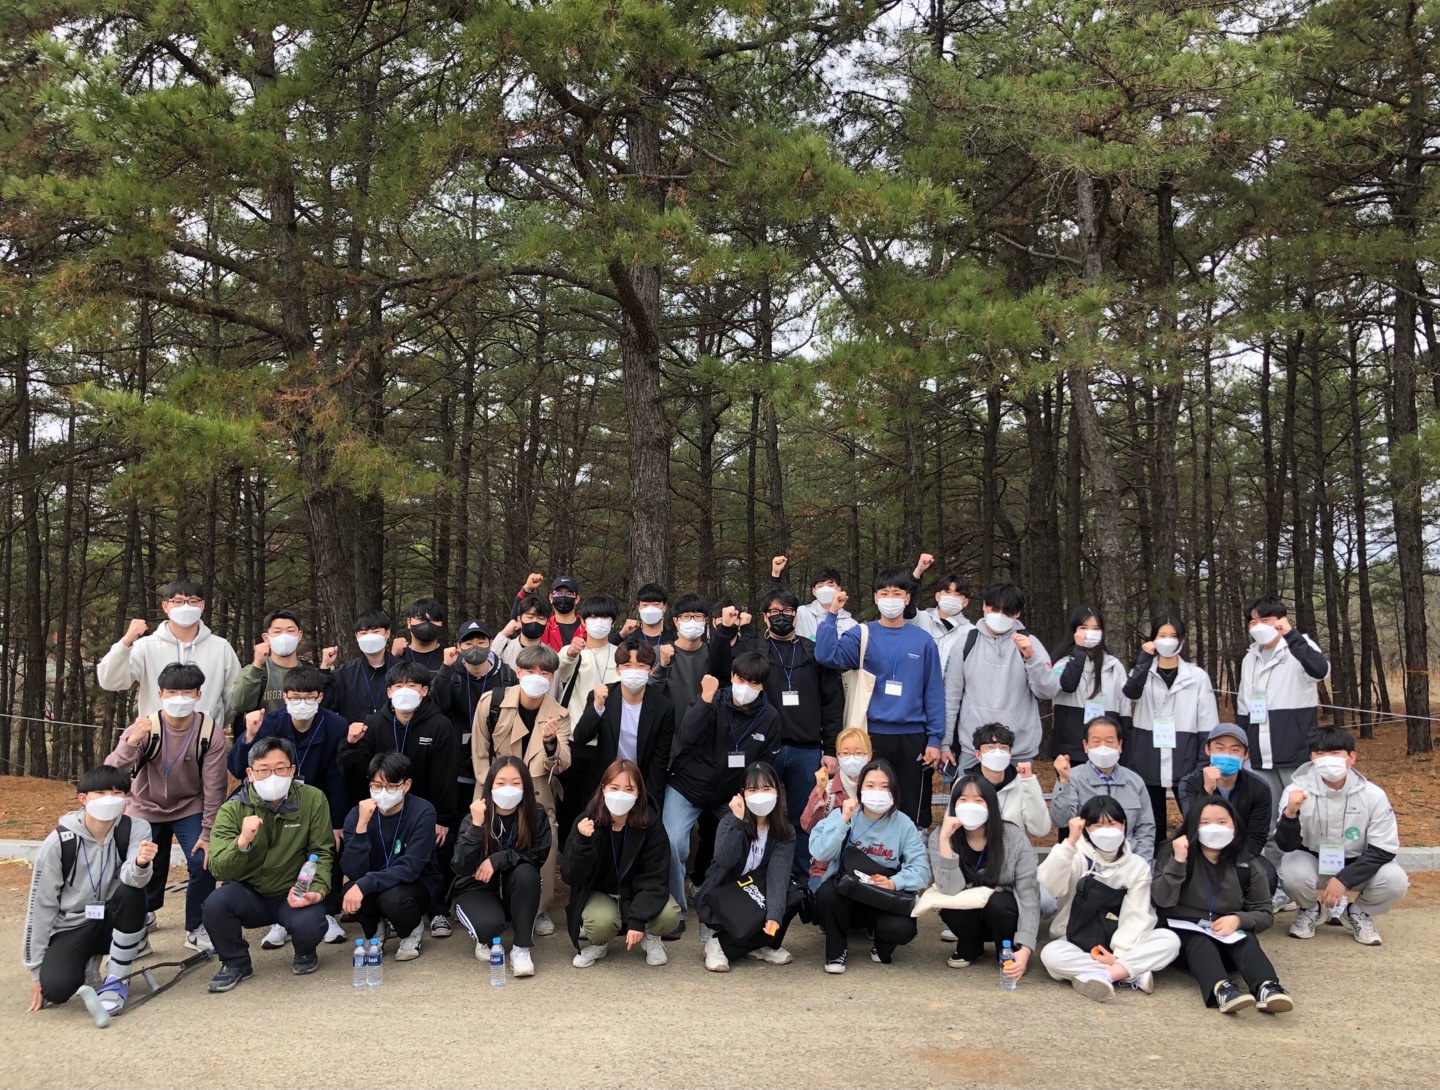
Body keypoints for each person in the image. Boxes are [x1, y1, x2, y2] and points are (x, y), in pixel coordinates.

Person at [711, 596, 844, 879]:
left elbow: (832, 702)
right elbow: (720, 667)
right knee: (755, 815)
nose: (781, 616)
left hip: (807, 748)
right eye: (774, 611)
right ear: (764, 616)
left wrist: (831, 748)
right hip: (761, 747)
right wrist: (725, 629)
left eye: (787, 611)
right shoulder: (753, 649)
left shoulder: (814, 652)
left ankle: (801, 878)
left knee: (804, 817)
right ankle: (751, 875)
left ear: (796, 615)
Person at [104, 662, 228, 954]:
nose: (179, 698)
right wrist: (132, 741)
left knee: (203, 861)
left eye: (187, 692)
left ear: (198, 695)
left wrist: (208, 833)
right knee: (138, 864)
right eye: (172, 692)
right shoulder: (145, 727)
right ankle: (139, 922)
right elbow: (110, 773)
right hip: (144, 806)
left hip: (189, 806)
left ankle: (197, 926)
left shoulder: (209, 731)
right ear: (160, 694)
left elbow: (215, 787)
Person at [231, 664, 352, 951]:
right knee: (280, 849)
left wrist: (336, 821)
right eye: (295, 697)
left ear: (320, 697)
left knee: (328, 845)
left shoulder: (337, 726)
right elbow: (239, 768)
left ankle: (327, 910)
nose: (302, 703)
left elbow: (339, 778)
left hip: (319, 800)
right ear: (285, 697)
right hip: (275, 799)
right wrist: (248, 737)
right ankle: (280, 917)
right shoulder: (270, 723)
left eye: (309, 697)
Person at [22, 767, 159, 1020]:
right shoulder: (59, 841)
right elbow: (41, 905)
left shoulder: (135, 828)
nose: (110, 798)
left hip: (114, 917)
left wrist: (141, 864)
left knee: (131, 892)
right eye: (101, 792)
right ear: (83, 798)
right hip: (73, 924)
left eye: (117, 793)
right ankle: (86, 965)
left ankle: (117, 977)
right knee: (56, 989)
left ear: (125, 800)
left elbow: (134, 879)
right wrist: (35, 970)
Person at [662, 653, 783, 938]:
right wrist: (705, 699)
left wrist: (748, 799)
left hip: (730, 794)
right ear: (732, 677)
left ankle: (723, 909)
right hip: (687, 785)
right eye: (741, 679)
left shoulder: (770, 718)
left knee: (742, 843)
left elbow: (766, 765)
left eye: (753, 683)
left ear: (762, 685)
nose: (745, 687)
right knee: (673, 842)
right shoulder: (712, 698)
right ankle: (676, 911)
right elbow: (688, 735)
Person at [814, 568, 945, 826]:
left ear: (907, 598)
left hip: (912, 735)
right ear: (875, 598)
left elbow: (933, 692)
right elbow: (826, 655)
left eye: (897, 593)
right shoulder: (862, 634)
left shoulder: (923, 640)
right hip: (871, 733)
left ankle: (910, 848)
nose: (890, 599)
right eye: (884, 593)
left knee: (910, 806)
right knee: (871, 800)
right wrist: (832, 613)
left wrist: (935, 738)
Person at [338, 661, 459, 939]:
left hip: (425, 809)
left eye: (412, 685)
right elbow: (357, 771)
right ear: (389, 691)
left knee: (439, 847)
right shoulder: (373, 724)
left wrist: (442, 817)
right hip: (385, 805)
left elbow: (446, 774)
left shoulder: (439, 724)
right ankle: (383, 913)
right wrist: (350, 745)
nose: (405, 691)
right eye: (399, 685)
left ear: (424, 690)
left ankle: (438, 910)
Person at [203, 738, 334, 992]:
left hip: (292, 890)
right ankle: (236, 963)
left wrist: (316, 891)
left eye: (280, 768)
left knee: (312, 923)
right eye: (263, 770)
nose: (273, 776)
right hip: (249, 892)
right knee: (215, 905)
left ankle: (305, 951)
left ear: (292, 770)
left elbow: (322, 852)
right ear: (250, 773)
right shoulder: (232, 809)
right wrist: (242, 842)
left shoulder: (313, 799)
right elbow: (218, 868)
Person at [1152, 797, 1293, 1013]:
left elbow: (1264, 913)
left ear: (1234, 826)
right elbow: (1161, 900)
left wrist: (1238, 920)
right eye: (1205, 822)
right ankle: (1222, 989)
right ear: (1193, 826)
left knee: (1246, 939)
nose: (1214, 828)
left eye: (1222, 822)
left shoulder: (1246, 865)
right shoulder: (1172, 854)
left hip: (1225, 936)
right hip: (1182, 939)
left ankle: (1267, 987)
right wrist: (1178, 862)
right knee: (1199, 940)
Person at [1036, 796, 1180, 1002]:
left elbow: (1137, 915)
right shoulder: (1075, 856)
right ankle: (1130, 974)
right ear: (1086, 828)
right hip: (1077, 938)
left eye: (1112, 823)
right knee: (1051, 954)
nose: (1107, 830)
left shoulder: (1137, 865)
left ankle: (1104, 974)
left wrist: (1118, 954)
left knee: (1169, 940)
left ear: (1124, 825)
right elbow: (1051, 885)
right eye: (1098, 825)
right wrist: (1069, 843)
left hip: (1124, 945)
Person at [471, 643, 570, 939]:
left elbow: (563, 762)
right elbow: (479, 751)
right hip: (495, 790)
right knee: (488, 846)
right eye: (529, 670)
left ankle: (538, 910)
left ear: (552, 677)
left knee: (542, 848)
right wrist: (490, 789)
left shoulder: (559, 714)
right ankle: (490, 905)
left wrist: (551, 742)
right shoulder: (492, 702)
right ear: (518, 672)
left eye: (544, 672)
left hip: (537, 794)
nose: (536, 677)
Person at [1277, 725, 1408, 946]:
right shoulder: (1295, 791)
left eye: (1335, 753)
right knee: (1291, 871)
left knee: (1395, 880)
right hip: (1313, 859)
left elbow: (1384, 848)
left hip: (1358, 861)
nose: (1327, 760)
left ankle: (1359, 913)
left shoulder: (1373, 795)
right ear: (1311, 758)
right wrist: (1290, 814)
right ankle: (1309, 910)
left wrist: (1343, 880)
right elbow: (1286, 845)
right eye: (1320, 753)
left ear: (1352, 757)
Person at [809, 759, 931, 973]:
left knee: (902, 928)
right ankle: (836, 951)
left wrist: (894, 882)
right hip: (847, 892)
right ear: (860, 789)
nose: (878, 792)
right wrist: (843, 820)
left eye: (885, 787)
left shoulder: (904, 823)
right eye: (870, 785)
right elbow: (819, 852)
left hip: (882, 897)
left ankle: (881, 943)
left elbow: (922, 869)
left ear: (894, 791)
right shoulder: (843, 813)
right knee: (826, 895)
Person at [1234, 595, 1330, 859]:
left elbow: (1320, 671)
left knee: (1300, 815)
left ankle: (1304, 872)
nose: (1257, 626)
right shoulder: (1250, 657)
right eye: (1253, 621)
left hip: (1294, 752)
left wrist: (1291, 635)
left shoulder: (1299, 647)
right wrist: (1244, 745)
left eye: (1264, 620)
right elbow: (1244, 705)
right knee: (1267, 821)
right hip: (1259, 755)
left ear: (1281, 620)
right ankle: (1273, 877)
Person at [560, 759, 681, 967]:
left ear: (639, 793)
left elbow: (655, 876)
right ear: (603, 788)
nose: (621, 795)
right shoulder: (587, 820)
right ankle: (599, 944)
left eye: (629, 789)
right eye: (614, 788)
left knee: (669, 913)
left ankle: (652, 938)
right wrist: (582, 842)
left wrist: (638, 920)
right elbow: (570, 876)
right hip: (600, 894)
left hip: (635, 894)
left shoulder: (651, 824)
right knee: (600, 923)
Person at [929, 775, 1040, 978]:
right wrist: (945, 840)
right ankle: (969, 947)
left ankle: (1008, 950)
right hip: (966, 911)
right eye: (963, 800)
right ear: (954, 805)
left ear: (991, 805)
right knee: (950, 905)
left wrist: (1025, 949)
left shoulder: (1013, 837)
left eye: (978, 800)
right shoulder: (940, 836)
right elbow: (948, 890)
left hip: (1003, 914)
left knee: (999, 903)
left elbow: (1029, 895)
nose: (970, 806)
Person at [942, 580, 1058, 771]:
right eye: (995, 609)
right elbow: (951, 697)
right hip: (974, 748)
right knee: (969, 791)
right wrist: (945, 743)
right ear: (984, 606)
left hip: (1018, 750)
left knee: (1019, 792)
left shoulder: (1030, 644)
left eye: (1007, 612)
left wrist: (1032, 658)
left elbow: (1047, 691)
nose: (1000, 616)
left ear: (1017, 614)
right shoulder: (965, 643)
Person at [452, 757, 552, 977]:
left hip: (512, 887)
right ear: (490, 786)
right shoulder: (474, 817)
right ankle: (484, 938)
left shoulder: (536, 815)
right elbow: (460, 866)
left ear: (526, 786)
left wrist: (499, 859)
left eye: (516, 783)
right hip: (477, 887)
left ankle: (521, 949)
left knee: (527, 873)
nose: (508, 789)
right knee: (489, 926)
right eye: (500, 783)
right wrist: (476, 827)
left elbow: (537, 857)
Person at [96, 577, 241, 727]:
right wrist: (125, 642)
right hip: (155, 735)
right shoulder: (146, 646)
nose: (186, 607)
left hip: (206, 736)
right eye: (178, 601)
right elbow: (109, 680)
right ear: (165, 606)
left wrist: (214, 723)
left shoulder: (221, 647)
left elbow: (233, 697)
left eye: (193, 601)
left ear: (202, 605)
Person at [340, 753, 443, 961]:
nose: (384, 792)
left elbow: (411, 867)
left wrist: (367, 883)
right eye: (377, 786)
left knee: (393, 898)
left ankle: (411, 930)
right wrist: (361, 827)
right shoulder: (357, 814)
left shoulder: (423, 811)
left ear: (406, 785)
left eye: (392, 786)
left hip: (414, 883)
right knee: (350, 891)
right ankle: (375, 930)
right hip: (374, 880)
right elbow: (352, 870)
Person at [697, 762, 799, 971]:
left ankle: (759, 944)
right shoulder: (730, 821)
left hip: (755, 896)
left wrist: (774, 915)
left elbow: (778, 876)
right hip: (725, 896)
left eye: (766, 788)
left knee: (793, 896)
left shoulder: (785, 831)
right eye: (752, 789)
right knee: (756, 911)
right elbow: (724, 860)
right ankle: (718, 944)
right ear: (742, 793)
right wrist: (738, 821)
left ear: (777, 792)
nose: (760, 795)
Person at [1121, 614, 1218, 832]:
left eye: (1173, 636)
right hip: (1147, 757)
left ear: (1182, 640)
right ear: (1153, 639)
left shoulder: (1197, 676)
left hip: (1185, 757)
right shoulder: (1142, 673)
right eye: (1161, 635)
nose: (1167, 641)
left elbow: (1208, 721)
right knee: (1151, 826)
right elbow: (1131, 692)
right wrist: (1144, 659)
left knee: (1195, 821)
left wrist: (1203, 764)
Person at [430, 620, 517, 835]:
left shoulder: (506, 675)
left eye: (481, 642)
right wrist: (445, 669)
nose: (475, 648)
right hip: (458, 762)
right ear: (458, 647)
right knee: (462, 820)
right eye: (468, 644)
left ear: (490, 643)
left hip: (496, 760)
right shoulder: (451, 674)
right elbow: (438, 707)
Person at [1175, 724, 1277, 896]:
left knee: (1267, 875)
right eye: (1220, 748)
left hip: (1240, 853)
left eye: (1235, 750)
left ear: (1245, 755)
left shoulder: (1259, 788)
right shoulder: (1190, 783)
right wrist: (1207, 791)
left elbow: (1257, 837)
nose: (1227, 755)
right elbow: (1191, 825)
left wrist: (1231, 861)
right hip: (1199, 853)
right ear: (1208, 750)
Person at [554, 595, 622, 849]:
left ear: (613, 622)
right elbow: (561, 671)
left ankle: (598, 847)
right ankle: (567, 848)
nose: (599, 622)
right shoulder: (574, 653)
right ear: (582, 621)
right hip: (575, 739)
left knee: (602, 799)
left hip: (608, 741)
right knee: (570, 800)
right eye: (593, 617)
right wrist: (571, 652)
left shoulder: (620, 654)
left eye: (605, 617)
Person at [573, 640, 674, 806]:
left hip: (640, 782)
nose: (634, 671)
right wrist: (597, 707)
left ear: (651, 670)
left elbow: (659, 760)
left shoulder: (664, 707)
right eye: (627, 665)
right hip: (603, 781)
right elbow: (580, 737)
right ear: (618, 669)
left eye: (641, 665)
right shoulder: (603, 696)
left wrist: (650, 804)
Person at [1050, 715, 1157, 861]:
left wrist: (1139, 863)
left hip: (1128, 860)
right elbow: (1061, 820)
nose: (1103, 747)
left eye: (1109, 741)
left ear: (1120, 745)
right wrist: (1063, 781)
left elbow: (1146, 830)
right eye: (1096, 741)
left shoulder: (1134, 781)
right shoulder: (1073, 778)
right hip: (1085, 861)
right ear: (1085, 745)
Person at [1050, 605, 1127, 767]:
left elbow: (1125, 710)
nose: (1090, 633)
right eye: (1084, 628)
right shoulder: (1062, 664)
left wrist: (1124, 750)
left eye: (1096, 628)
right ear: (1074, 631)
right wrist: (1078, 650)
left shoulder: (1114, 666)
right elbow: (1068, 685)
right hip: (1071, 750)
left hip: (1106, 750)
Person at [800, 727, 873, 890]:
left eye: (858, 753)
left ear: (869, 756)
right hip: (825, 870)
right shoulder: (828, 788)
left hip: (866, 870)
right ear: (838, 756)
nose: (851, 758)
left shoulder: (877, 790)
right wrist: (819, 791)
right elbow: (807, 826)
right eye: (845, 753)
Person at [232, 608, 335, 717]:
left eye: (290, 631)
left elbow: (324, 707)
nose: (284, 636)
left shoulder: (309, 671)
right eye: (277, 632)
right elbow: (239, 705)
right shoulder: (253, 671)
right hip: (265, 728)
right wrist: (257, 665)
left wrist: (325, 668)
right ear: (266, 637)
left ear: (299, 636)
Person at [970, 724, 1050, 837]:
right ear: (978, 755)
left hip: (1014, 846)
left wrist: (1029, 782)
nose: (997, 752)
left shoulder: (1022, 783)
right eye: (990, 747)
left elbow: (1041, 829)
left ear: (1010, 754)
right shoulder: (965, 785)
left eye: (1003, 748)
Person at [325, 609, 395, 725]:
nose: (370, 637)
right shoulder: (344, 674)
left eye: (376, 632)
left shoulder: (402, 670)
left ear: (387, 633)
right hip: (355, 735)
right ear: (357, 636)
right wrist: (324, 668)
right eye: (364, 633)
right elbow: (327, 708)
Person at [649, 593, 715, 713]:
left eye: (698, 616)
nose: (692, 621)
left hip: (704, 722)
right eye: (686, 616)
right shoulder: (659, 652)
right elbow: (649, 694)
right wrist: (662, 666)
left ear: (705, 620)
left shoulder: (712, 653)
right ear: (676, 621)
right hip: (669, 723)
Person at [769, 556, 858, 640]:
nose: (825, 589)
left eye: (830, 585)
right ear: (814, 591)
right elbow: (777, 603)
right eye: (820, 586)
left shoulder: (851, 625)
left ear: (838, 589)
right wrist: (775, 575)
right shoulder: (801, 614)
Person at [907, 568, 974, 669]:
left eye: (958, 594)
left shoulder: (971, 632)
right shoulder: (921, 618)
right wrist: (918, 572)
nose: (952, 597)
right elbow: (907, 604)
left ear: (965, 602)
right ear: (938, 596)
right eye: (948, 592)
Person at [509, 573, 587, 648]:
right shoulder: (543, 625)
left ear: (577, 599)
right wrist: (527, 589)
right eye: (558, 593)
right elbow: (516, 621)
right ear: (551, 598)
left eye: (569, 594)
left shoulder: (588, 627)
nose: (563, 597)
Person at [391, 598, 447, 671]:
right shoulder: (398, 656)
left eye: (433, 620)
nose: (427, 625)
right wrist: (393, 657)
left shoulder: (449, 657)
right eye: (421, 619)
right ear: (409, 622)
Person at [621, 583, 674, 647]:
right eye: (645, 605)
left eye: (656, 604)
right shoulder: (629, 639)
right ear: (638, 608)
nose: (650, 609)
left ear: (664, 607)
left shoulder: (673, 639)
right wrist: (621, 635)